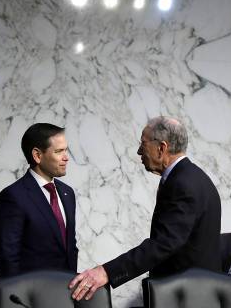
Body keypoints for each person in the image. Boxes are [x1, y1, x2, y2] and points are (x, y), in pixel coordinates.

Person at [70, 116, 222, 300]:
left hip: (186, 298)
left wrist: (107, 272)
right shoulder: (194, 177)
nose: (139, 151)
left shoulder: (183, 183)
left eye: (143, 144)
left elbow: (164, 243)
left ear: (162, 148)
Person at [0, 123, 78, 278]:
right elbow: (7, 260)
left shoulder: (67, 193)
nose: (66, 157)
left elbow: (69, 247)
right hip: (31, 298)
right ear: (37, 155)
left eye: (66, 150)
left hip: (66, 293)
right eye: (59, 151)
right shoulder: (13, 197)